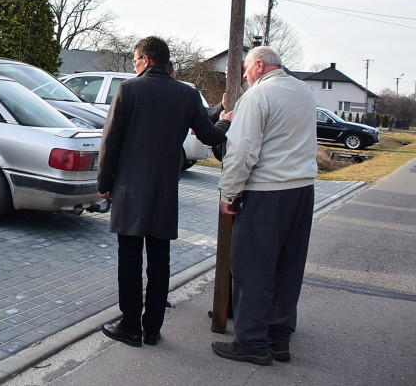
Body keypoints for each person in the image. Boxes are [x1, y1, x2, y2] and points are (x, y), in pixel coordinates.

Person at [96, 36, 230, 348]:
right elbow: (209, 135)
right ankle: (152, 329)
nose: (133, 65)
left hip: (129, 190)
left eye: (134, 60)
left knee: (129, 259)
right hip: (165, 191)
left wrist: (104, 183)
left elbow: (110, 141)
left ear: (145, 59)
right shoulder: (186, 94)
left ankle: (130, 325)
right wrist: (224, 121)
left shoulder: (128, 90)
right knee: (160, 261)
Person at [211, 46, 318, 366]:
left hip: (267, 191)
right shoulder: (304, 92)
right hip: (302, 189)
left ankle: (252, 342)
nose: (244, 76)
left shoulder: (257, 97)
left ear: (259, 65)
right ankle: (279, 340)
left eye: (245, 69)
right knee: (288, 265)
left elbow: (241, 152)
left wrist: (228, 194)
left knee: (251, 267)